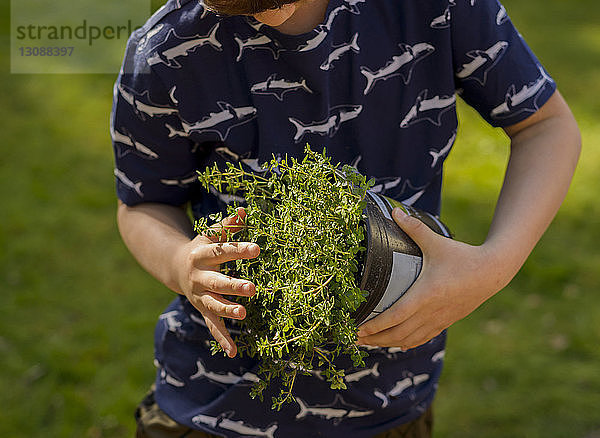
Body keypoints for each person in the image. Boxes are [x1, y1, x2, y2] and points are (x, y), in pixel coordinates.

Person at [111, 0, 580, 436]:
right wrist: (178, 262)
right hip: (213, 404)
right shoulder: (164, 52)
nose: (275, 18)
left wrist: (493, 266)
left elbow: (546, 127)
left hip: (390, 399)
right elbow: (142, 202)